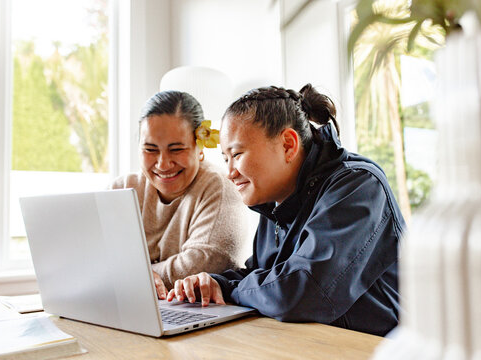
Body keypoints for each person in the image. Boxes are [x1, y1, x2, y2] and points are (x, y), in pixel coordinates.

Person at [167, 84, 406, 337]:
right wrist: (217, 283)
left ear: (288, 145)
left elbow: (305, 290)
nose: (230, 172)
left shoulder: (358, 186)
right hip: (312, 346)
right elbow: (265, 276)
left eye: (237, 154)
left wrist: (232, 291)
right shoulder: (277, 201)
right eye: (226, 159)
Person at [110, 90, 248, 298]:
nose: (163, 163)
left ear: (199, 147)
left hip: (197, 312)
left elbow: (203, 263)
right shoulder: (122, 188)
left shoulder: (218, 187)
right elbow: (93, 261)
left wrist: (138, 274)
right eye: (150, 149)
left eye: (176, 149)